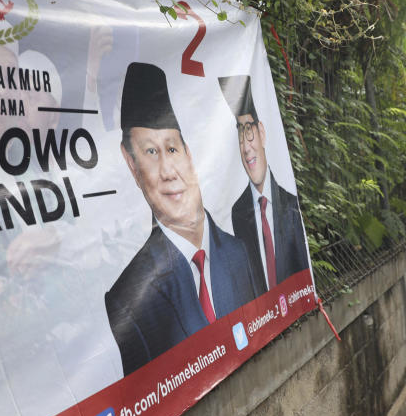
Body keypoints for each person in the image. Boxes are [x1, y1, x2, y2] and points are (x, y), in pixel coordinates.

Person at [105, 63, 260, 376]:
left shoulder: (239, 253)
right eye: (150, 152)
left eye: (172, 149)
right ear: (132, 167)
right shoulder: (127, 300)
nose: (167, 171)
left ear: (190, 155)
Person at [217, 75, 308, 293]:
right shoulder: (238, 211)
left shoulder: (290, 203)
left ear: (262, 133)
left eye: (248, 130)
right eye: (239, 134)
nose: (246, 147)